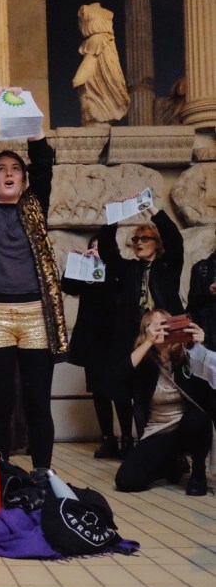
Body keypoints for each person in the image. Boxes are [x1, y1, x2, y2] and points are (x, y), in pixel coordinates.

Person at [0, 87, 67, 484]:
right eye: (1, 169)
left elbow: (43, 163)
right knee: (0, 402)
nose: (8, 173)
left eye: (15, 169)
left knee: (38, 401)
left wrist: (29, 115)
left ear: (23, 179)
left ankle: (42, 475)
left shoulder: (34, 207)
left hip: (35, 314)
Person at [98, 201, 184, 457]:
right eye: (135, 239)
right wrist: (113, 218)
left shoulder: (168, 266)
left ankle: (176, 450)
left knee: (169, 389)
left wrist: (153, 210)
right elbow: (107, 252)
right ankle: (144, 446)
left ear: (156, 243)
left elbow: (175, 239)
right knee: (137, 393)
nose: (138, 243)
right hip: (135, 341)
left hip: (167, 340)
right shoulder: (130, 269)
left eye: (144, 238)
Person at [115, 309, 212, 496]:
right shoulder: (144, 361)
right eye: (154, 326)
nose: (160, 329)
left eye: (165, 325)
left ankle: (198, 473)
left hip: (187, 426)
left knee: (197, 417)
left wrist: (201, 347)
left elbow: (208, 388)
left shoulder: (186, 354)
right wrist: (148, 342)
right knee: (126, 481)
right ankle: (169, 463)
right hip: (159, 429)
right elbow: (119, 377)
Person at [61, 232, 125, 459]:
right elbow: (68, 287)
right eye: (93, 247)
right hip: (93, 341)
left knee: (120, 390)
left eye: (100, 247)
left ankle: (127, 439)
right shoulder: (86, 272)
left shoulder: (119, 269)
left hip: (116, 339)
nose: (95, 251)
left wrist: (104, 261)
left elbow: (119, 289)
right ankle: (107, 439)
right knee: (99, 391)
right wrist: (75, 263)